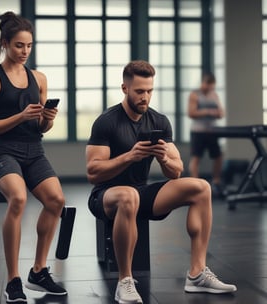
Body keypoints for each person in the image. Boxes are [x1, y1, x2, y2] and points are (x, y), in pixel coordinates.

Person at [86, 60, 236, 304]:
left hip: (141, 193)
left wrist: (164, 158)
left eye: (149, 91)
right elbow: (93, 173)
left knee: (201, 188)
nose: (145, 97)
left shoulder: (159, 122)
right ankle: (125, 280)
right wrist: (129, 157)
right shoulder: (107, 121)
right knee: (128, 196)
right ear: (125, 89)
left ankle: (197, 274)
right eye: (139, 92)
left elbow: (176, 172)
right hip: (106, 196)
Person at [0, 11, 67, 303]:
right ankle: (13, 280)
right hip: (6, 151)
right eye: (18, 45)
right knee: (18, 198)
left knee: (56, 201)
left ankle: (38, 271)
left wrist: (48, 118)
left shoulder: (38, 78)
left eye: (29, 45)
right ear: (5, 43)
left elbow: (42, 126)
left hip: (34, 150)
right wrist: (19, 116)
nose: (25, 51)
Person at [188, 72, 225, 197]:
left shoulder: (214, 95)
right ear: (204, 83)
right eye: (208, 85)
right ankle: (195, 185)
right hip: (198, 131)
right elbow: (191, 113)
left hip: (212, 131)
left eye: (212, 86)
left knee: (218, 157)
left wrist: (217, 113)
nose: (209, 88)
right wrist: (208, 111)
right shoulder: (195, 94)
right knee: (196, 158)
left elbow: (221, 113)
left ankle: (216, 181)